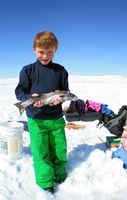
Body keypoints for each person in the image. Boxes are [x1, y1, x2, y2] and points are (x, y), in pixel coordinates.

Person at [15, 31, 69, 193]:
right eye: (41, 52)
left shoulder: (61, 71)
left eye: (49, 52)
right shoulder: (28, 70)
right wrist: (28, 97)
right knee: (40, 151)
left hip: (56, 118)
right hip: (36, 119)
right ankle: (45, 181)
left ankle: (60, 174)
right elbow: (20, 91)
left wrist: (61, 98)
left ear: (55, 50)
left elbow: (65, 91)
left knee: (59, 149)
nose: (45, 56)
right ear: (34, 50)